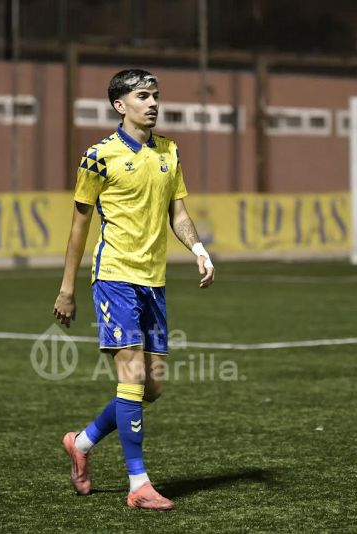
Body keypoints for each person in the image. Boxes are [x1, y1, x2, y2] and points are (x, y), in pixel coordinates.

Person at [53, 69, 215, 511]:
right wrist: (67, 288)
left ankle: (81, 443)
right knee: (132, 376)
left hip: (154, 282)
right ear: (120, 105)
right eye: (143, 96)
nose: (153, 103)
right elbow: (79, 228)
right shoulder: (98, 157)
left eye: (156, 96)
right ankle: (138, 483)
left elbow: (177, 214)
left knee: (153, 387)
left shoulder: (169, 151)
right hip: (115, 278)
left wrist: (199, 249)